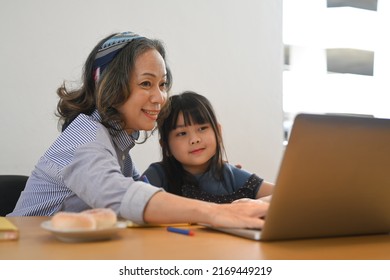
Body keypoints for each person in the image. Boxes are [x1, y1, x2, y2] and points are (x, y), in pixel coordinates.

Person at [8, 31, 268, 229]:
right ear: (110, 86)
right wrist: (218, 212)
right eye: (146, 83)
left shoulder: (118, 143)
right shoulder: (85, 137)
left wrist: (217, 189)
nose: (160, 98)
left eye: (163, 84)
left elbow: (143, 192)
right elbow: (121, 196)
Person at [143, 91, 274, 204]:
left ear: (218, 131)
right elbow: (131, 206)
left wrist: (254, 204)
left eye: (202, 128)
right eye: (182, 133)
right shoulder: (158, 175)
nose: (195, 139)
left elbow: (283, 196)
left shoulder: (230, 174)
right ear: (165, 146)